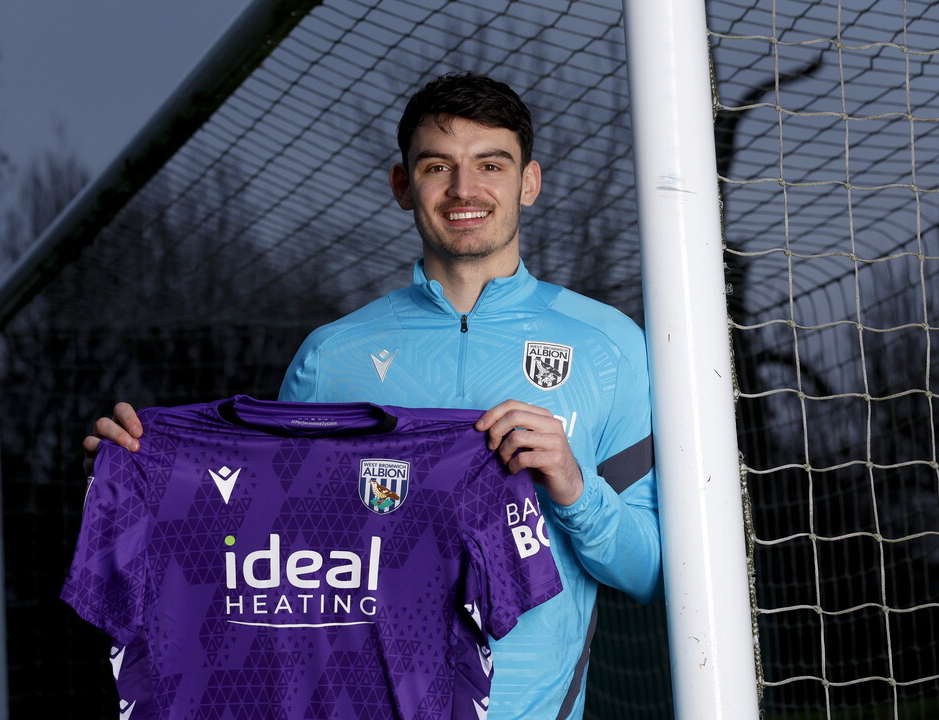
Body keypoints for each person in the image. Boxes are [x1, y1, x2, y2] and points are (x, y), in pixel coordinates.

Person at [84, 71, 662, 720]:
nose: (464, 189)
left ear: (529, 182)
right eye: (437, 166)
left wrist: (574, 486)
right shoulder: (331, 357)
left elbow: (643, 573)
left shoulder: (612, 347)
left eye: (490, 165)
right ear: (401, 185)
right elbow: (266, 544)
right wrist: (149, 475)